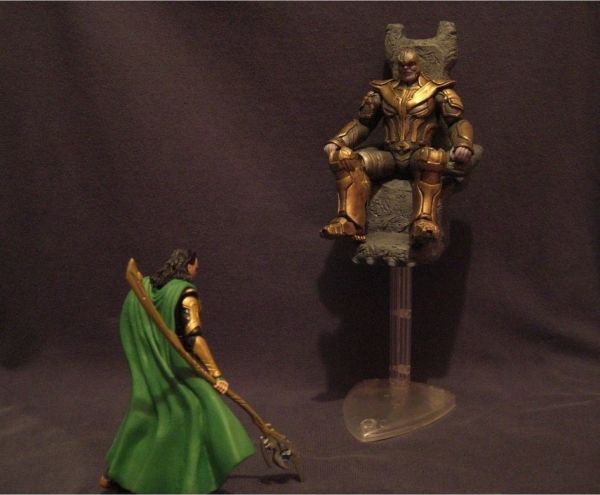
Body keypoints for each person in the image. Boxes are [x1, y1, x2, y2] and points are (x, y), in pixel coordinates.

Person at [101, 249, 254, 493]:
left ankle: (117, 474)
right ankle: (185, 483)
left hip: (156, 366)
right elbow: (194, 338)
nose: (196, 272)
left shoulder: (150, 286)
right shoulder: (186, 294)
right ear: (188, 266)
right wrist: (216, 374)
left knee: (148, 413)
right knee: (197, 408)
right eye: (196, 268)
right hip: (174, 366)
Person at [321, 47, 474, 245]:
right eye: (402, 65)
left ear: (418, 65)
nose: (407, 68)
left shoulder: (438, 91)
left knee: (432, 158)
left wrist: (463, 143)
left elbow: (456, 122)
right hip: (389, 157)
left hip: (418, 155)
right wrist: (338, 141)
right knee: (344, 159)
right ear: (397, 67)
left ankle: (424, 222)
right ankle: (349, 222)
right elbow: (362, 123)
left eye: (411, 64)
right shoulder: (382, 92)